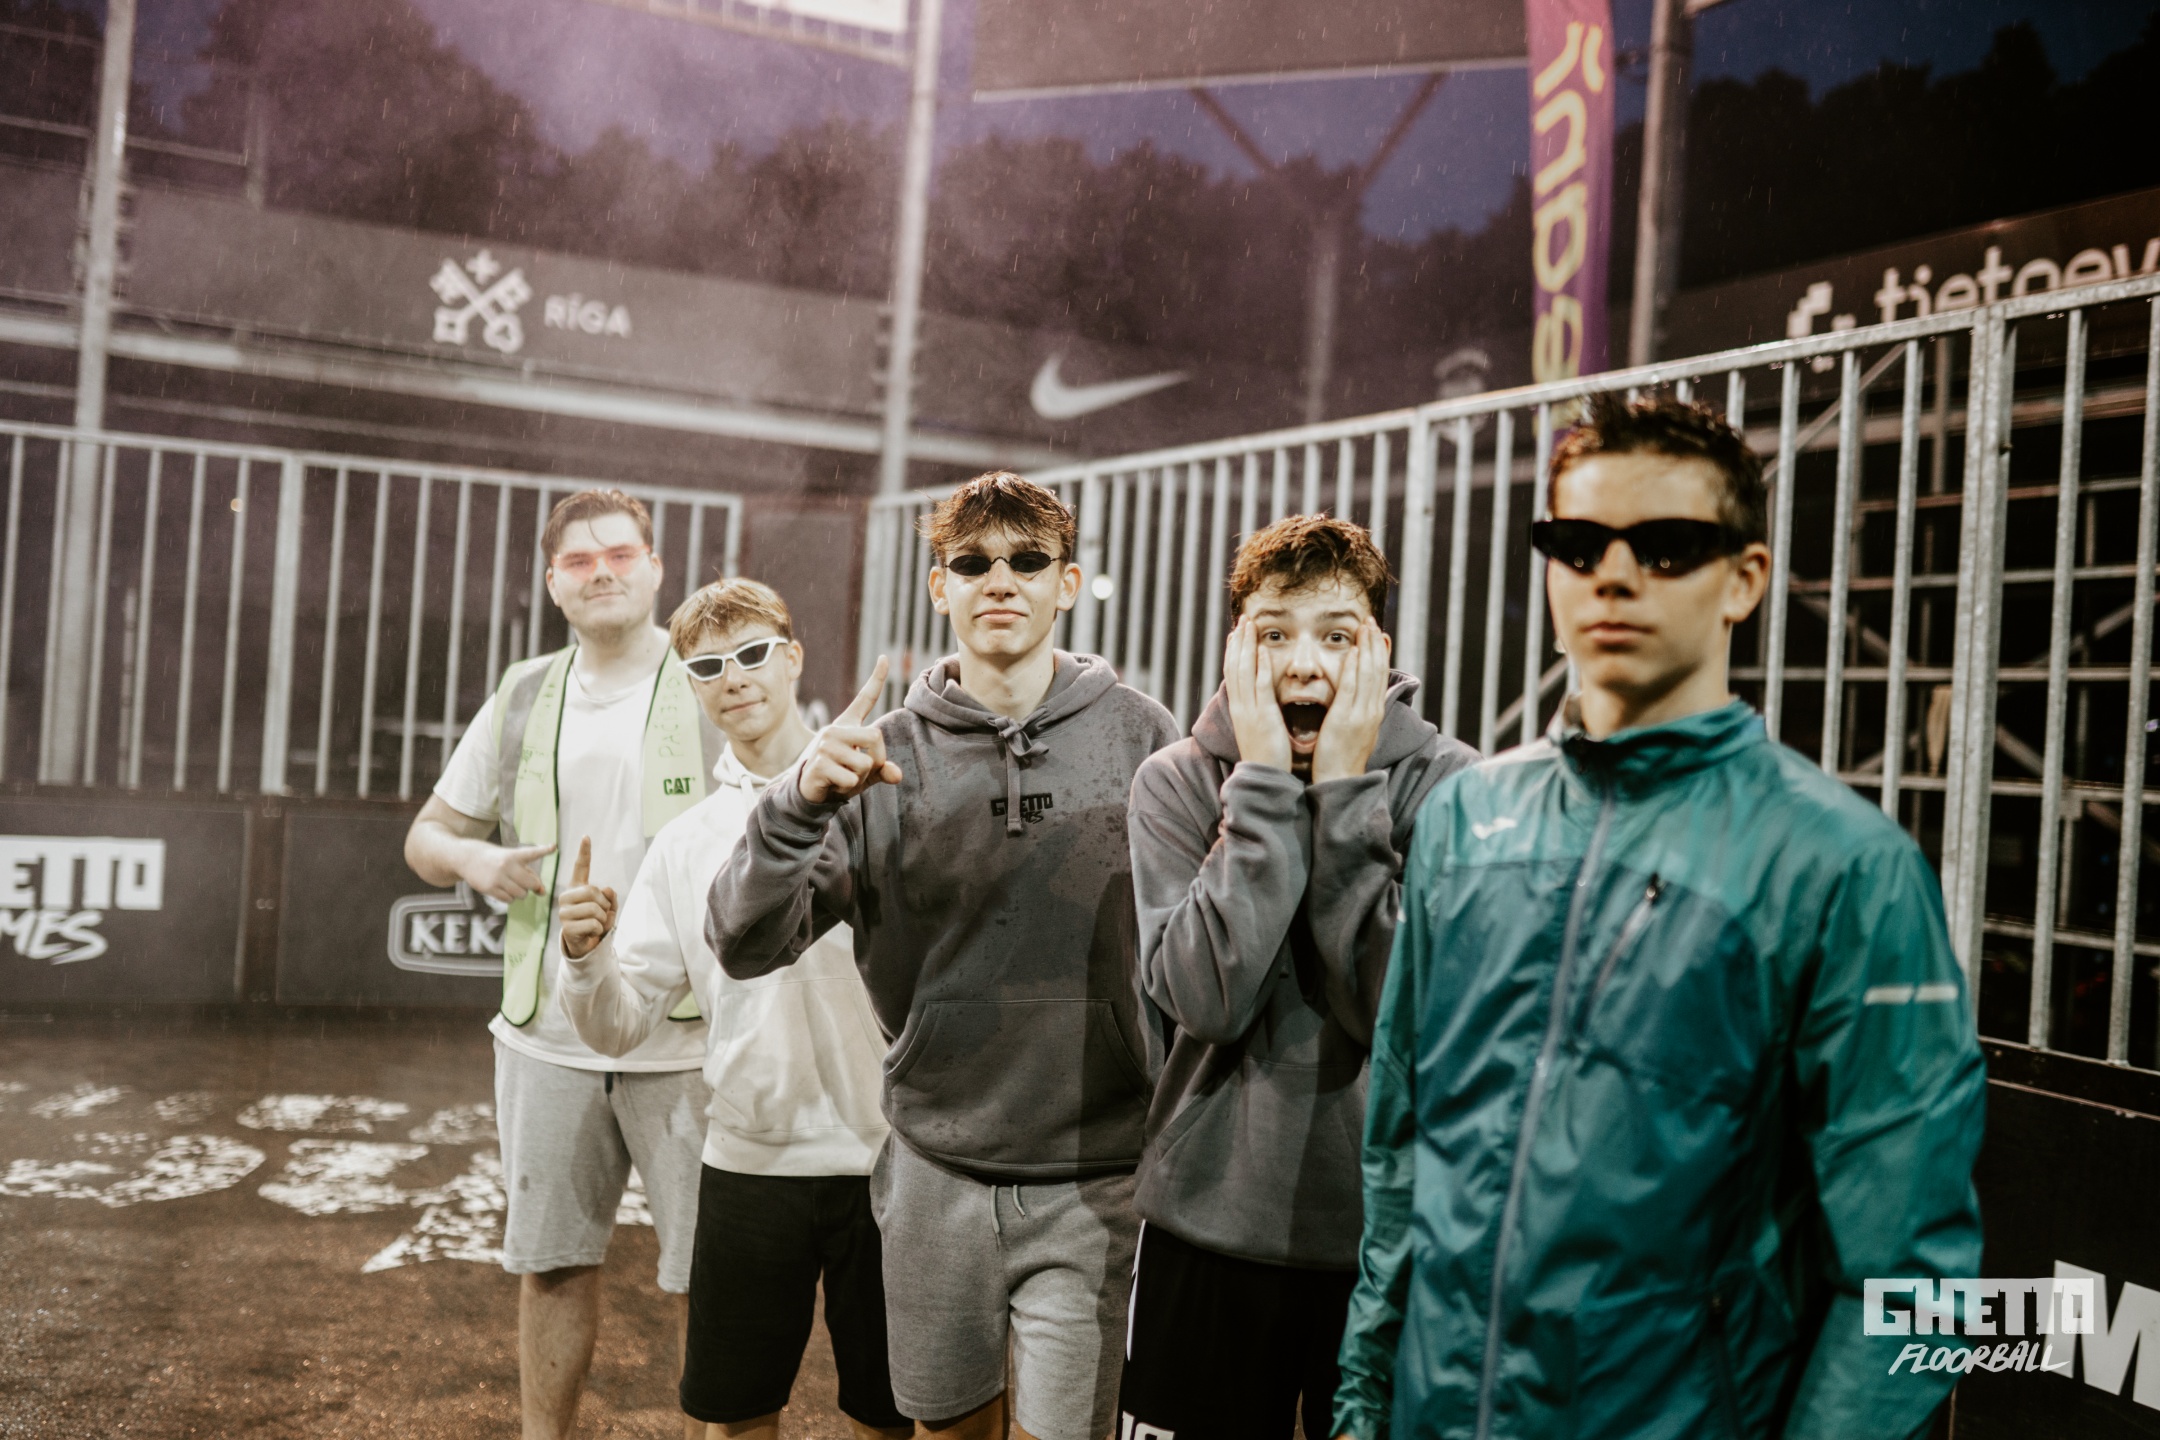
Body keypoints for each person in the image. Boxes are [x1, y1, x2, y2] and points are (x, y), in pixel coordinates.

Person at [1332, 395, 1987, 1440]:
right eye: (1579, 543)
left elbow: (1918, 1284)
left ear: (1746, 579)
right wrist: (1364, 1405)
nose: (1615, 574)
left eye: (1667, 546)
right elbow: (1403, 1151)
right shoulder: (1465, 818)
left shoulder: (1847, 870)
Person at [710, 472, 1179, 1440]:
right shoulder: (873, 756)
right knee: (946, 1433)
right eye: (972, 562)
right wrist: (795, 804)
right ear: (940, 587)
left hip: (1095, 1176)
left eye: (1027, 561)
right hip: (934, 1171)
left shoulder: (1143, 736)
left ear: (1067, 582)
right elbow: (744, 943)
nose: (999, 579)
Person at [1117, 515, 1476, 1440]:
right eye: (1275, 633)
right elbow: (1207, 998)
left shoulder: (1451, 787)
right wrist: (1267, 791)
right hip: (1205, 1227)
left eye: (1337, 635)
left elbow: (1402, 1014)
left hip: (1391, 1238)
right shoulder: (1176, 782)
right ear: (1239, 645)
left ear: (1379, 647)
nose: (1304, 665)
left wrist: (1348, 799)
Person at [554, 578, 912, 1440]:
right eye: (709, 666)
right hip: (750, 1167)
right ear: (690, 686)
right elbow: (619, 1025)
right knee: (736, 1417)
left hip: (892, 1161)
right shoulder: (686, 845)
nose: (735, 677)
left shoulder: (883, 798)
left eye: (752, 654)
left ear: (792, 660)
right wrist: (584, 958)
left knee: (895, 1417)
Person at [404, 489, 719, 1440]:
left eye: (620, 554)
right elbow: (427, 838)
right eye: (579, 561)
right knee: (550, 1266)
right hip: (546, 1037)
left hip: (689, 1040)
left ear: (656, 569)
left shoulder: (713, 679)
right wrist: (477, 861)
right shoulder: (524, 691)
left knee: (707, 1279)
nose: (602, 573)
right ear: (552, 583)